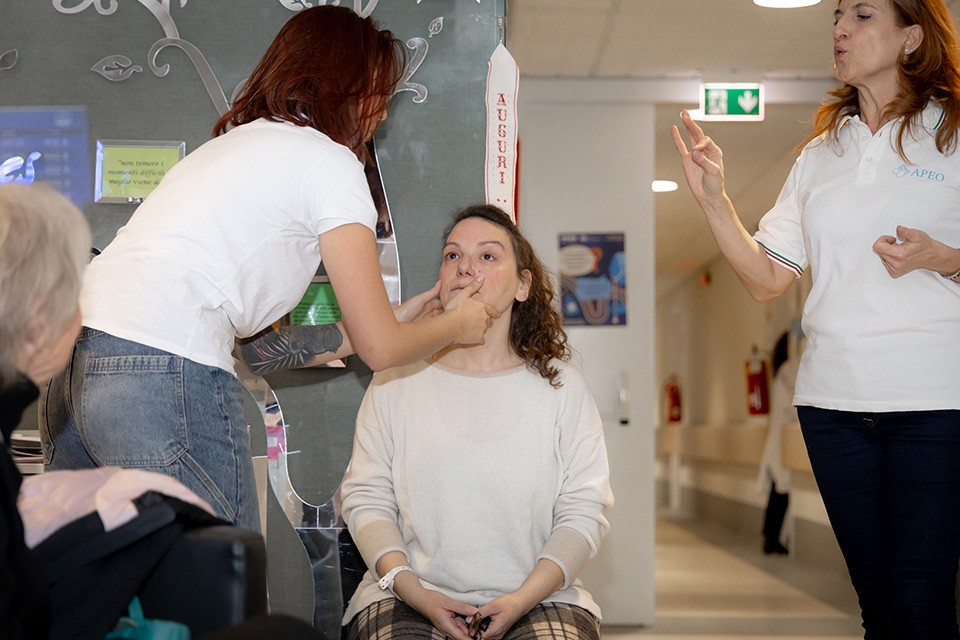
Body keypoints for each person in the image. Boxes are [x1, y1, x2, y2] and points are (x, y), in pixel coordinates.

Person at [40, 5, 498, 533]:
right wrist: (460, 325)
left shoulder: (230, 149)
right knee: (219, 589)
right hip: (163, 370)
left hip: (80, 365)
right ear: (350, 84)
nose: (383, 115)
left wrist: (401, 318)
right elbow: (381, 351)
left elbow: (262, 350)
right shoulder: (332, 164)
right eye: (381, 94)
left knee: (89, 589)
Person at [673, 0, 960, 636]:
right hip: (833, 408)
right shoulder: (820, 155)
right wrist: (716, 202)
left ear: (912, 36)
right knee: (878, 602)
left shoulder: (955, 133)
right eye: (836, 17)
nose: (839, 30)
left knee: (922, 599)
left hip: (937, 402)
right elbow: (767, 279)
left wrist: (946, 258)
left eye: (861, 16)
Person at [338, 204, 613, 640]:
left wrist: (521, 600)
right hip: (406, 595)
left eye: (487, 256)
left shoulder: (564, 389)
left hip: (537, 598)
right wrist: (417, 593)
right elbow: (366, 497)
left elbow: (584, 510)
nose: (465, 267)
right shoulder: (395, 379)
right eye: (452, 256)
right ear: (441, 280)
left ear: (523, 285)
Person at [757, 331, 798, 556]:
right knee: (779, 491)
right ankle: (771, 538)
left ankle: (771, 538)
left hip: (778, 440)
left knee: (777, 491)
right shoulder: (787, 372)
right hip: (781, 441)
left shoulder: (781, 372)